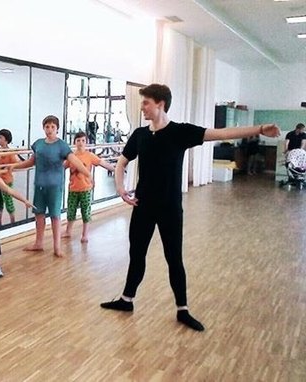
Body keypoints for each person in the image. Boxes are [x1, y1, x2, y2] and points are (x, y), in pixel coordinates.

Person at [100, 84, 280, 332]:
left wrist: (259, 129)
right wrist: (120, 189)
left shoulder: (180, 132)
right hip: (143, 206)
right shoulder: (139, 135)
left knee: (174, 258)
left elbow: (221, 133)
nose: (141, 107)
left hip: (170, 208)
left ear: (160, 103)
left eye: (145, 102)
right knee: (136, 254)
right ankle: (126, 299)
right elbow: (121, 163)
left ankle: (182, 309)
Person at [11, 115, 91, 257]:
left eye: (52, 127)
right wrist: (14, 166)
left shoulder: (62, 145)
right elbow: (31, 162)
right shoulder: (39, 144)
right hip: (40, 186)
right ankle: (39, 243)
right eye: (47, 127)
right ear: (43, 128)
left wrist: (87, 174)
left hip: (55, 187)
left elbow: (75, 161)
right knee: (39, 214)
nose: (49, 130)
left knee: (55, 216)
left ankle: (57, 247)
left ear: (57, 129)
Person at [62, 132, 115, 243]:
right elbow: (62, 167)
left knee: (85, 212)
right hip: (73, 189)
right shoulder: (71, 156)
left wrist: (115, 169)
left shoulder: (89, 155)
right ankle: (68, 231)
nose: (80, 143)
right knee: (71, 211)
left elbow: (101, 163)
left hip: (86, 189)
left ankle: (85, 234)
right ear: (74, 142)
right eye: (78, 141)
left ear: (86, 142)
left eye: (83, 141)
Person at [0, 129, 20, 225]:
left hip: (6, 181)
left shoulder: (10, 153)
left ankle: (13, 222)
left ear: (6, 140)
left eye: (0, 137)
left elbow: (16, 163)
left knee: (9, 202)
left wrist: (8, 167)